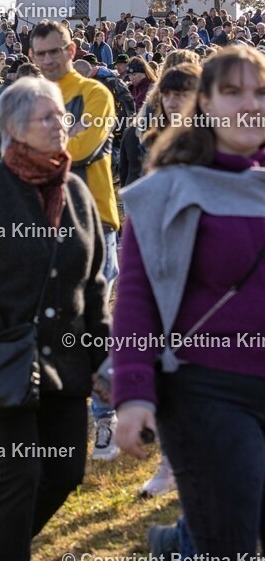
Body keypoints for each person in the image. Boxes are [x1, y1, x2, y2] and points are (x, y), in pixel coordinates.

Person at [0, 77, 111, 561]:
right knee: (20, 473)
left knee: (67, 471)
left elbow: (93, 284)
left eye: (62, 115)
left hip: (66, 364)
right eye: (47, 117)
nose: (61, 125)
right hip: (6, 361)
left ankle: (0, 545)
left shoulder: (76, 190)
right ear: (13, 128)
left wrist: (101, 359)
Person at [114, 45, 265, 560]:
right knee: (229, 544)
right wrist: (133, 394)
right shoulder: (168, 189)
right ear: (204, 103)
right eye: (233, 92)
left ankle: (170, 547)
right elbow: (136, 297)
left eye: (261, 93)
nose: (250, 104)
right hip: (206, 393)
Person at [30, 20, 120, 460]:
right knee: (52, 324)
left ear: (72, 48)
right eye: (40, 53)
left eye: (55, 51)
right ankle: (57, 416)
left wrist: (37, 153)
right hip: (44, 225)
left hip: (95, 222)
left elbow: (86, 147)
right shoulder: (29, 98)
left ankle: (105, 419)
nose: (48, 59)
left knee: (95, 324)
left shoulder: (96, 91)